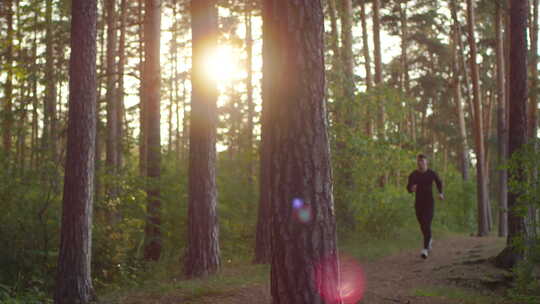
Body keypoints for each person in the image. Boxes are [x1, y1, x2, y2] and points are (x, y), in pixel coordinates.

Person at [407, 154, 444, 259]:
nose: (420, 164)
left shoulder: (431, 173)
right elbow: (408, 187)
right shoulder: (413, 174)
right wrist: (411, 189)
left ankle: (425, 249)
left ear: (426, 162)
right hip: (418, 203)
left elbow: (439, 182)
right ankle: (429, 239)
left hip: (429, 203)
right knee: (422, 225)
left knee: (426, 224)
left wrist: (440, 193)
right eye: (419, 162)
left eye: (422, 162)